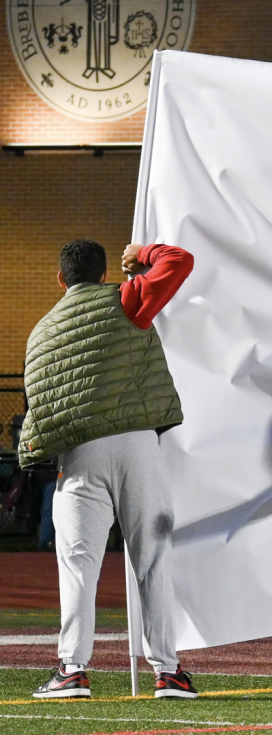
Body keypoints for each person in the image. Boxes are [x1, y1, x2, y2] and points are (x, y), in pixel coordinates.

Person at [22, 240, 197, 699]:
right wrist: (143, 253)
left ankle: (73, 670)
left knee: (79, 567)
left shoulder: (41, 332)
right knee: (152, 560)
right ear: (102, 275)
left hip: (79, 457)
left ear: (60, 280)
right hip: (139, 445)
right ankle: (169, 672)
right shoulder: (125, 298)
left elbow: (38, 411)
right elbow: (179, 262)